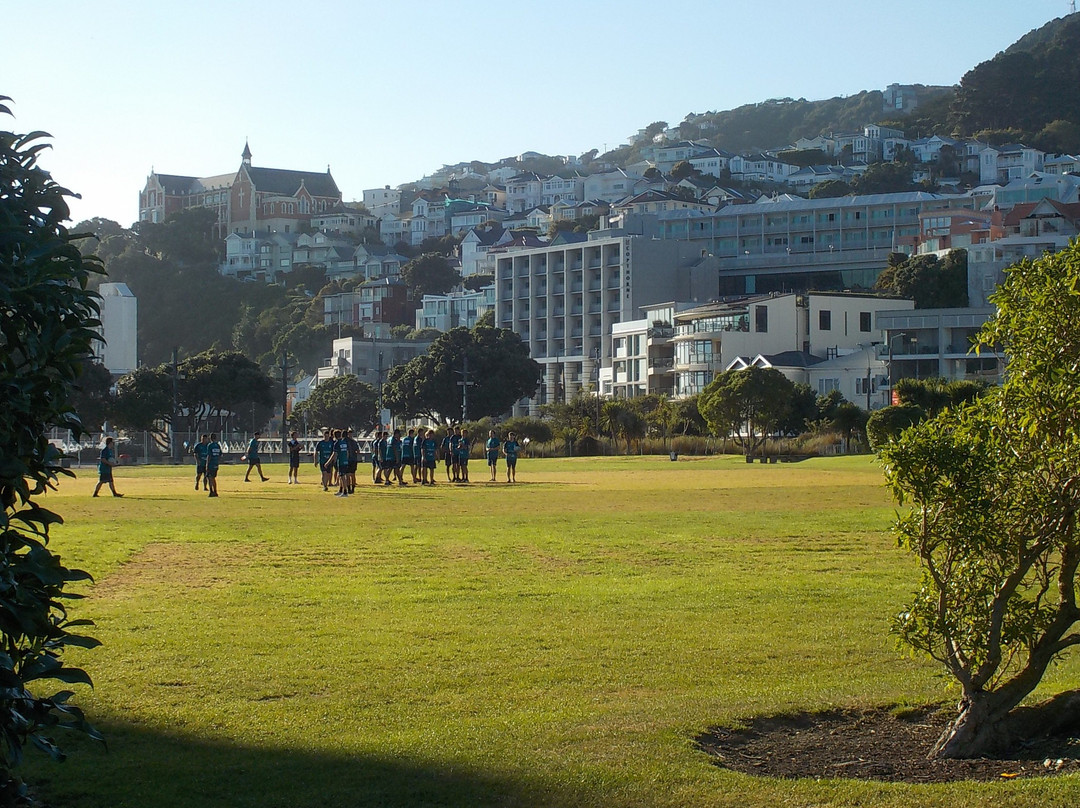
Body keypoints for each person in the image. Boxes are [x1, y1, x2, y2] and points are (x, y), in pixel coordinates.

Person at [206, 432, 222, 497]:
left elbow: (209, 456)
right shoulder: (218, 445)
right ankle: (215, 491)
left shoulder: (210, 445)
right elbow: (220, 455)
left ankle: (211, 491)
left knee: (209, 478)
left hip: (211, 464)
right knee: (213, 478)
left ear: (210, 438)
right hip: (216, 464)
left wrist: (207, 464)